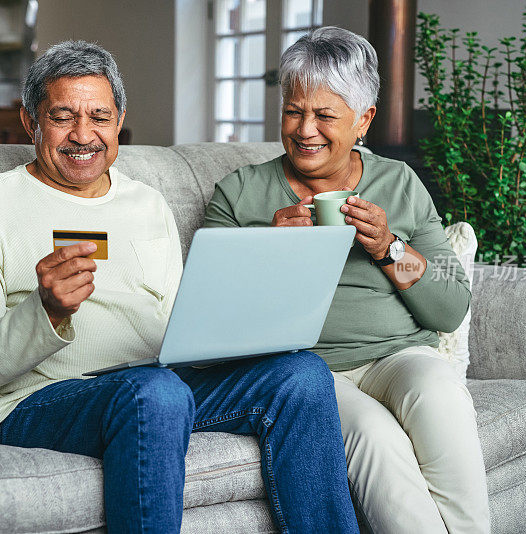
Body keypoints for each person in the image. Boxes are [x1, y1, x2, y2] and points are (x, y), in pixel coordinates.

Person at [0, 40, 358, 534]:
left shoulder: (147, 204)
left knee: (301, 374)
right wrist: (45, 312)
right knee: (154, 392)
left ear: (119, 123)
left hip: (159, 381)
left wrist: (234, 312)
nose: (83, 135)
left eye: (99, 116)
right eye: (62, 116)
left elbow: (177, 330)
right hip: (40, 400)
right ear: (31, 121)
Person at [204, 27, 490, 534]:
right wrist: (269, 252)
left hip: (398, 356)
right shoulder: (238, 195)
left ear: (364, 120)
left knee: (440, 392)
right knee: (375, 436)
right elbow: (208, 326)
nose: (305, 130)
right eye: (294, 111)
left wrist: (388, 248)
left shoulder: (399, 182)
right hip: (307, 373)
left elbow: (449, 308)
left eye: (325, 115)